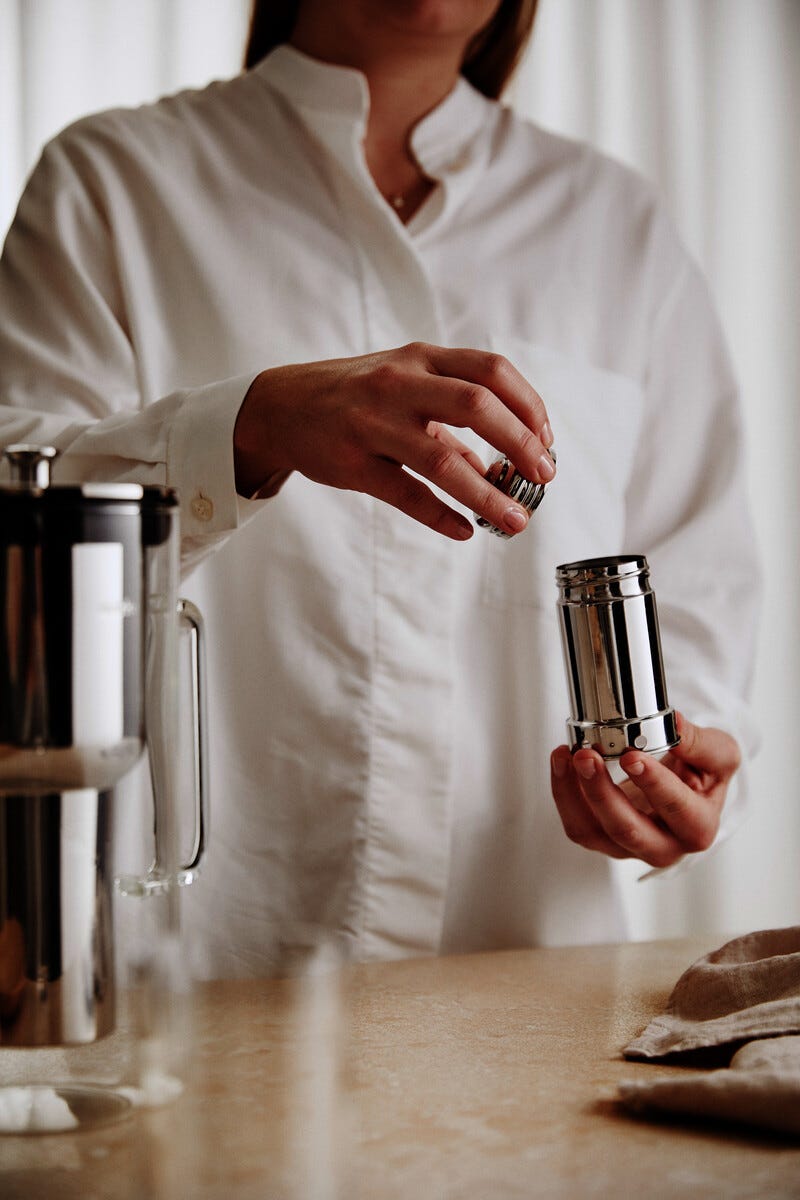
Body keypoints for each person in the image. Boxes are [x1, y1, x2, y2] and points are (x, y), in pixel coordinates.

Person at [0, 0, 759, 976]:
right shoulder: (111, 186)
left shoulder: (617, 227)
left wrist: (679, 775)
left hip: (534, 1004)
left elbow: (699, 590)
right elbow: (18, 555)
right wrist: (244, 430)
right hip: (201, 994)